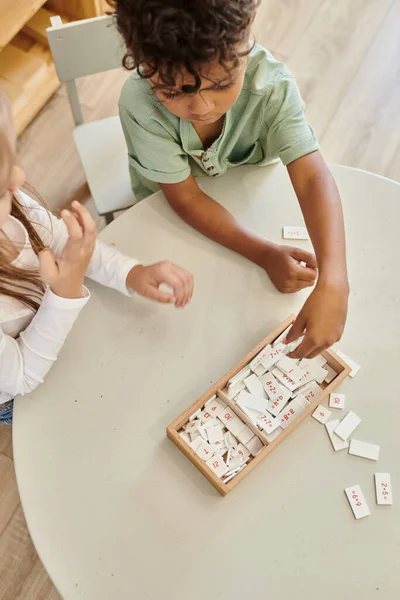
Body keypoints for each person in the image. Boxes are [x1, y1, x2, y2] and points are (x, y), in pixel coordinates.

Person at [112, 0, 349, 360]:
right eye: (173, 92)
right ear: (144, 67)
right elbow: (186, 200)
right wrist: (265, 253)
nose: (202, 107)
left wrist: (335, 280)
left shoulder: (271, 86)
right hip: (168, 219)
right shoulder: (140, 105)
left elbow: (312, 176)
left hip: (244, 202)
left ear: (247, 39)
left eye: (222, 84)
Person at [0, 89, 194, 424]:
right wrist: (64, 292)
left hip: (59, 334)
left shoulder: (14, 208)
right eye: (1, 185)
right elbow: (22, 378)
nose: (19, 178)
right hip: (20, 395)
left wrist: (131, 273)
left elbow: (60, 239)